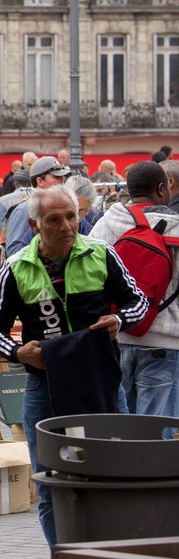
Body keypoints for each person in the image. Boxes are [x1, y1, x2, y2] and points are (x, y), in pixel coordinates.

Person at [0, 185, 148, 547]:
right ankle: (66, 553)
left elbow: (139, 302)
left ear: (81, 216)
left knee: (114, 474)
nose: (66, 226)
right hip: (44, 387)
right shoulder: (16, 268)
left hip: (102, 383)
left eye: (71, 216)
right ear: (35, 224)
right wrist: (16, 352)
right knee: (50, 484)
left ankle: (110, 550)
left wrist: (120, 323)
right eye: (54, 219)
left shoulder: (103, 255)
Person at [90, 161, 179, 430]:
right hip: (166, 344)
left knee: (120, 427)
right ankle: (155, 473)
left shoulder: (106, 224)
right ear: (162, 189)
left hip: (116, 335)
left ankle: (124, 472)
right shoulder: (176, 227)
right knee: (158, 429)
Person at [5, 156, 70, 257]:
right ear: (40, 181)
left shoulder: (62, 206)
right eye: (56, 177)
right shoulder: (24, 210)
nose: (62, 179)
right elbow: (13, 253)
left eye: (62, 176)